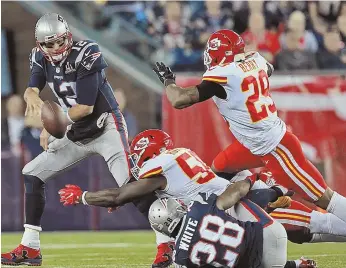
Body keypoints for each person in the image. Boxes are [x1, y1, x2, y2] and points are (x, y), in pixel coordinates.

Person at [152, 29, 346, 228]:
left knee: (324, 198)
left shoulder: (223, 74)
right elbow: (267, 69)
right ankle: (229, 213)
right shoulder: (257, 59)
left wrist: (169, 81)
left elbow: (179, 100)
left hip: (276, 146)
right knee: (220, 167)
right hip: (253, 144)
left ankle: (271, 187)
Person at [58, 129, 315, 268]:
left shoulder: (160, 171)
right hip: (239, 209)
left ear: (148, 155)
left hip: (230, 214)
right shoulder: (181, 159)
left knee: (207, 255)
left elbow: (117, 195)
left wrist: (83, 197)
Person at [1, 13, 130, 266]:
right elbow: (32, 87)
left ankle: (167, 242)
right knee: (32, 172)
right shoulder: (39, 57)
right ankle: (30, 247)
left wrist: (50, 125)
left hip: (106, 128)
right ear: (40, 45)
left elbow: (84, 107)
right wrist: (31, 97)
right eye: (49, 44)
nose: (56, 48)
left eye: (60, 41)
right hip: (77, 133)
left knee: (133, 187)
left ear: (68, 36)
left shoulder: (86, 52)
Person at [149, 183, 315, 268]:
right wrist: (251, 182)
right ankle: (273, 193)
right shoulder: (198, 205)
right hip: (271, 231)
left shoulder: (181, 257)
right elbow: (236, 191)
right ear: (175, 208)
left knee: (229, 259)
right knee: (237, 199)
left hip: (260, 262)